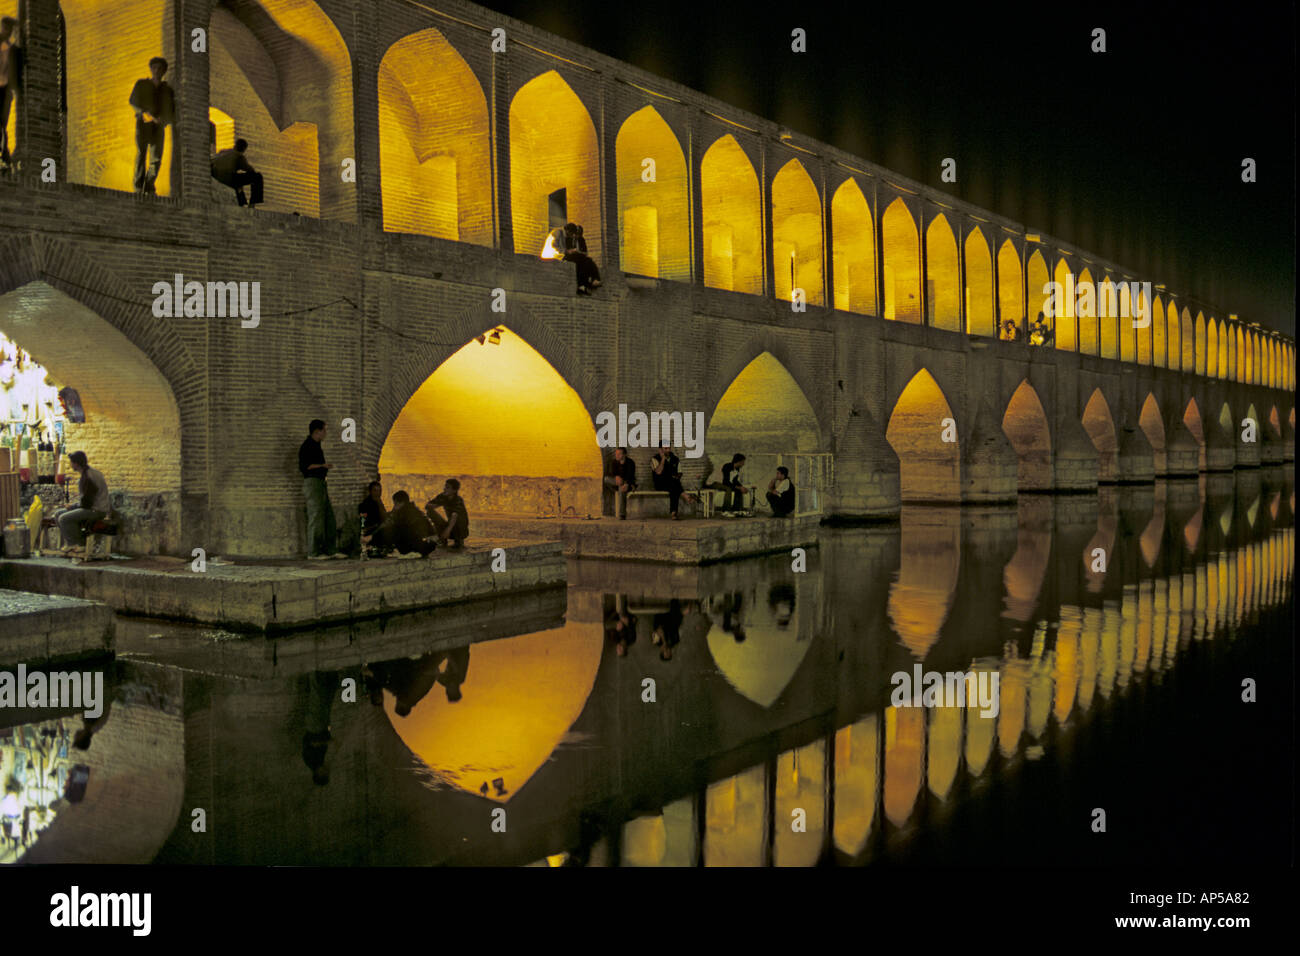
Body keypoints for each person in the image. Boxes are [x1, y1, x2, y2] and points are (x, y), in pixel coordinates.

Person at [128, 57, 175, 194]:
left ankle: (149, 186)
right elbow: (133, 101)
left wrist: (164, 120)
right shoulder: (142, 84)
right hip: (143, 124)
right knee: (141, 154)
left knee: (156, 158)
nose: (157, 71)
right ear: (151, 69)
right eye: (154, 68)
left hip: (158, 127)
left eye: (160, 68)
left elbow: (171, 110)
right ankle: (138, 186)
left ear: (164, 71)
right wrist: (143, 113)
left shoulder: (167, 90)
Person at [298, 419, 342, 559]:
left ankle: (331, 550)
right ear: (317, 431)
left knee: (329, 517)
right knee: (315, 518)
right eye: (324, 430)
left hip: (321, 483)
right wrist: (323, 466)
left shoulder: (317, 446)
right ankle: (313, 552)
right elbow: (305, 467)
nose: (326, 433)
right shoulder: (307, 446)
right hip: (313, 483)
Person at [55, 451, 110, 551]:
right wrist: (73, 506)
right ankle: (71, 542)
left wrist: (72, 507)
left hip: (96, 510)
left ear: (76, 463)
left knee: (63, 518)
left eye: (71, 462)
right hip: (91, 507)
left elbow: (87, 502)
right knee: (57, 514)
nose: (70, 465)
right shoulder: (88, 473)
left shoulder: (88, 477)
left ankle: (78, 544)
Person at [365, 490, 437, 557]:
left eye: (395, 504)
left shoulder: (404, 513)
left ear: (400, 503)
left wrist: (372, 537)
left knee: (391, 531)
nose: (394, 506)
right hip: (428, 545)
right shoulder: (414, 509)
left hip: (418, 546)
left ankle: (373, 545)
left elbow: (392, 528)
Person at [211, 138, 264, 207]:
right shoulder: (238, 156)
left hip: (216, 176)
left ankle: (242, 203)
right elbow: (251, 170)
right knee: (257, 177)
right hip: (228, 178)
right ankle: (252, 203)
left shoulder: (223, 152)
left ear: (235, 145)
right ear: (243, 149)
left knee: (238, 183)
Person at [0, 17, 22, 170]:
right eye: (6, 28)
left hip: (6, 90)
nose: (8, 32)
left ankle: (5, 153)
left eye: (11, 30)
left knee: (2, 122)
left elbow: (17, 73)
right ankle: (5, 153)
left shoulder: (13, 51)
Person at [426, 478, 470, 548]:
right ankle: (443, 541)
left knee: (457, 522)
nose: (444, 489)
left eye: (447, 487)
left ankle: (458, 541)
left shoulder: (458, 500)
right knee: (430, 512)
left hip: (459, 529)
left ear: (454, 490)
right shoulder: (443, 496)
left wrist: (447, 531)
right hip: (450, 526)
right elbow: (428, 506)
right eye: (445, 486)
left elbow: (454, 516)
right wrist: (439, 503)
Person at [563, 222, 602, 295]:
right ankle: (583, 285)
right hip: (570, 257)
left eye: (579, 234)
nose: (577, 236)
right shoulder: (568, 239)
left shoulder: (581, 239)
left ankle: (595, 279)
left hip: (580, 257)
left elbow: (585, 252)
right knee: (582, 264)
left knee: (589, 261)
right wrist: (572, 251)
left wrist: (579, 252)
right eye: (576, 233)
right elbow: (565, 250)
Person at [651, 443, 684, 519]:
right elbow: (658, 472)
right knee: (674, 484)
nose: (668, 450)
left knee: (674, 486)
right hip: (660, 484)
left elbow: (680, 472)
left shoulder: (675, 459)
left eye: (669, 448)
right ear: (660, 450)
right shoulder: (654, 459)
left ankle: (673, 513)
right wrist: (663, 459)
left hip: (673, 484)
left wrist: (676, 476)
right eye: (665, 448)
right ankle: (684, 494)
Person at [604, 447, 637, 519]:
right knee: (606, 479)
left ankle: (622, 514)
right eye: (616, 454)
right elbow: (611, 473)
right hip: (617, 483)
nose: (617, 456)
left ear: (624, 455)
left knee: (622, 490)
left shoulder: (630, 463)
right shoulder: (614, 462)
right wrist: (616, 477)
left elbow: (631, 476)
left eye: (619, 454)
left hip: (628, 483)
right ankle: (619, 488)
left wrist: (626, 483)